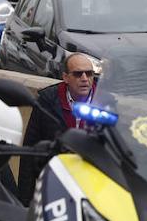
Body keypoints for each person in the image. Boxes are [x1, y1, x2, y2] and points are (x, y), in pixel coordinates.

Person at [16, 52, 99, 202]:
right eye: (78, 74)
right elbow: (30, 150)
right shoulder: (47, 101)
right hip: (56, 184)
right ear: (65, 77)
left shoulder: (105, 103)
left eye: (89, 73)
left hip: (94, 188)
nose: (85, 79)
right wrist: (25, 201)